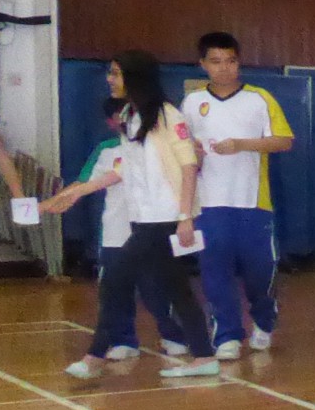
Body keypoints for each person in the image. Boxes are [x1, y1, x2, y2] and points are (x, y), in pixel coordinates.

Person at [73, 53, 217, 381]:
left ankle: (94, 356)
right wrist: (81, 190)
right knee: (177, 287)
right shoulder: (129, 116)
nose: (110, 79)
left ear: (134, 76)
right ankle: (204, 355)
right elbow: (127, 167)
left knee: (115, 278)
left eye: (116, 73)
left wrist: (185, 216)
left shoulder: (167, 115)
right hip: (141, 216)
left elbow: (188, 166)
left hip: (164, 218)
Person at [182, 31, 295, 357]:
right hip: (209, 204)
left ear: (238, 62)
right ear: (203, 64)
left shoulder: (260, 98)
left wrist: (241, 145)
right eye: (216, 61)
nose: (224, 68)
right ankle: (227, 335)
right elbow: (182, 150)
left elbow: (284, 141)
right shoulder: (191, 103)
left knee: (260, 272)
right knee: (214, 272)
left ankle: (264, 319)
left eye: (230, 61)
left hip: (252, 203)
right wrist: (194, 154)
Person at [40, 123, 178, 372]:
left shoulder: (159, 145)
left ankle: (174, 335)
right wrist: (50, 204)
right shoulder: (106, 149)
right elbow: (85, 183)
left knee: (155, 288)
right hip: (115, 233)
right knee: (113, 292)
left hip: (149, 229)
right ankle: (123, 340)